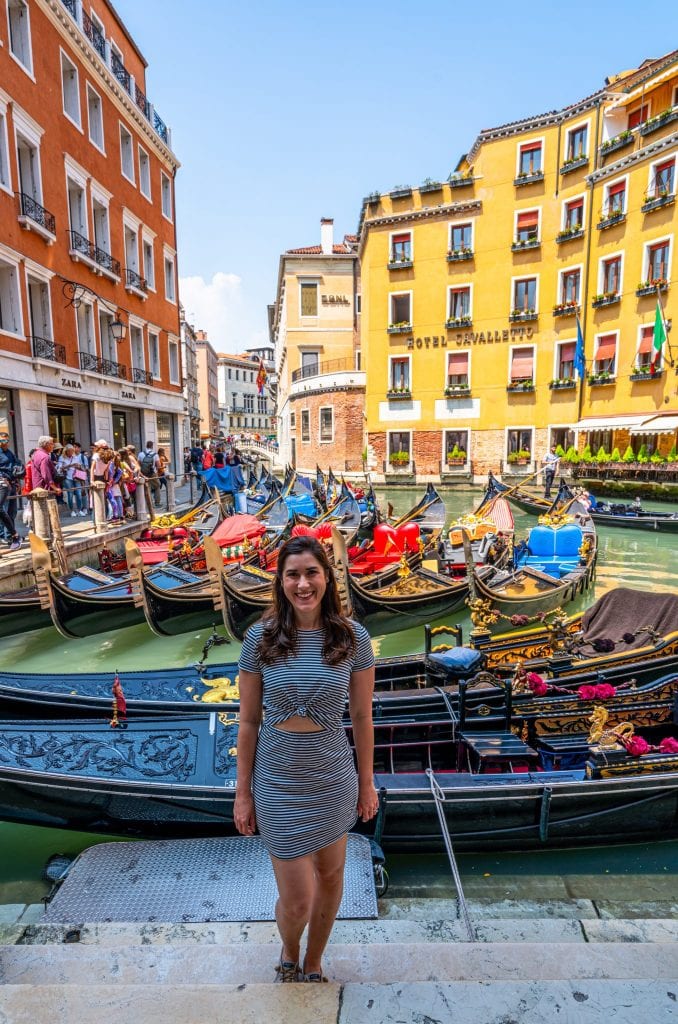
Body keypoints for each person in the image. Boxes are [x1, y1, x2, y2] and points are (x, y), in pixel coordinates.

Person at [235, 535, 377, 983]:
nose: (303, 584)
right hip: (276, 781)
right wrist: (243, 794)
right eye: (293, 574)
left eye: (311, 573)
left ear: (327, 577)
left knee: (332, 878)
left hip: (332, 776)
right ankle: (290, 948)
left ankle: (314, 960)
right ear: (280, 581)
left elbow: (361, 716)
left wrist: (367, 783)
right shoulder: (260, 638)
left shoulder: (354, 638)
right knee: (297, 898)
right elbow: (248, 722)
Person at [0, 432, 22, 545]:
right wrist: (2, 479)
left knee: (12, 511)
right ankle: (2, 535)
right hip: (3, 485)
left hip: (12, 484)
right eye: (2, 441)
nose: (4, 443)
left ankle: (10, 535)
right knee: (2, 510)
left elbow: (15, 466)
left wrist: (17, 482)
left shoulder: (9, 453)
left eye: (6, 441)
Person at [57, 443, 87, 517]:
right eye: (69, 451)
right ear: (66, 451)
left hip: (76, 477)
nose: (71, 453)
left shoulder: (75, 457)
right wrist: (70, 465)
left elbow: (81, 466)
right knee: (70, 494)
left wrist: (79, 466)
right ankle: (72, 510)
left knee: (79, 494)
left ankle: (79, 510)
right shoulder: (62, 457)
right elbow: (59, 468)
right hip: (67, 478)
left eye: (72, 451)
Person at [139, 441, 161, 507]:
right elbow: (158, 465)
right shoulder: (155, 455)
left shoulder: (141, 454)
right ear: (152, 446)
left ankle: (150, 504)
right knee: (157, 486)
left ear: (146, 445)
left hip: (143, 473)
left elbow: (138, 464)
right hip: (153, 473)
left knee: (147, 487)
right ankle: (157, 502)